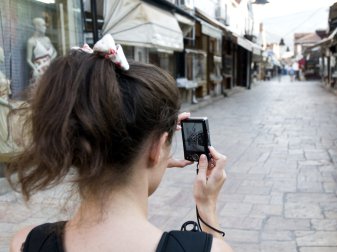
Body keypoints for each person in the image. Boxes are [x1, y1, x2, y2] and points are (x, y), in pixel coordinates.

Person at [7, 34, 232, 252]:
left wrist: (153, 148)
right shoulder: (210, 249)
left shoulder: (27, 242)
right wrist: (207, 206)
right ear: (157, 146)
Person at [26, 17, 57, 83]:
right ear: (37, 27)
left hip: (50, 70)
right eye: (43, 25)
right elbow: (28, 59)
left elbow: (55, 52)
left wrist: (50, 60)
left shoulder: (47, 39)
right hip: (39, 71)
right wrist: (35, 69)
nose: (45, 27)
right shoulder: (31, 41)